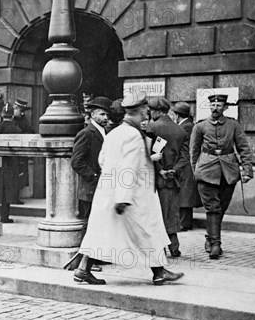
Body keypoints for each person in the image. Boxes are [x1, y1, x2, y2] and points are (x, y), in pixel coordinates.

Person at [75, 91, 184, 286]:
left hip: (109, 191)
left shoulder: (115, 132)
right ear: (140, 110)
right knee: (148, 230)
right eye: (145, 110)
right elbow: (129, 167)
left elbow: (102, 160)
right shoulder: (134, 136)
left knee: (101, 231)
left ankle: (83, 269)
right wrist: (124, 198)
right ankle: (159, 272)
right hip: (131, 195)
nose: (146, 114)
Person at [190, 94, 253, 259]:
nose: (215, 108)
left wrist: (246, 169)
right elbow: (194, 151)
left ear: (225, 107)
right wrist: (195, 170)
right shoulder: (200, 126)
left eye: (219, 105)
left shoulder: (233, 125)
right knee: (213, 208)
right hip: (206, 171)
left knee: (221, 207)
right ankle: (216, 243)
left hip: (228, 172)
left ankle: (210, 238)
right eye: (212, 105)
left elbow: (243, 148)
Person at [67, 96, 111, 276]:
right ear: (92, 114)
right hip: (90, 188)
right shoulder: (86, 133)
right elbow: (76, 161)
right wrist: (93, 176)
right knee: (89, 225)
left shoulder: (103, 131)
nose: (105, 117)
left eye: (107, 114)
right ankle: (85, 262)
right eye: (102, 114)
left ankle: (95, 257)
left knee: (98, 223)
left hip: (100, 187)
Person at [146, 96, 187, 258]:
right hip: (173, 179)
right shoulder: (180, 130)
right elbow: (185, 156)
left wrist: (161, 169)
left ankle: (159, 248)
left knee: (156, 214)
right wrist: (173, 171)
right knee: (171, 212)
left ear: (156, 111)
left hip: (155, 178)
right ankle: (174, 247)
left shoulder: (152, 127)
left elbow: (149, 153)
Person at [0, 103, 22, 223]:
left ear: (2, 115)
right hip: (11, 165)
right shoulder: (17, 130)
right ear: (12, 115)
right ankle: (5, 216)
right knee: (8, 191)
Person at [172, 102, 201, 231]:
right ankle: (184, 222)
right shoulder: (188, 125)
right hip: (187, 163)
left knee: (185, 194)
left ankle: (184, 223)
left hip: (185, 164)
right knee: (185, 194)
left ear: (177, 114)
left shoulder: (186, 127)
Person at [12, 99, 33, 204]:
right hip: (13, 152)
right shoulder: (11, 119)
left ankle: (16, 197)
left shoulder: (24, 119)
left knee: (21, 174)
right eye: (20, 110)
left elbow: (29, 130)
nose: (22, 112)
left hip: (22, 151)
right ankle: (14, 197)